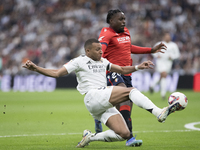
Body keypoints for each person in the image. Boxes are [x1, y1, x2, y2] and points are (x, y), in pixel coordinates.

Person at [23, 38, 178, 148]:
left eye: (101, 50)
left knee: (123, 134)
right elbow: (57, 73)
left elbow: (122, 69)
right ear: (87, 50)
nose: (100, 52)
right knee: (130, 91)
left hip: (101, 102)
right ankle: (158, 112)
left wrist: (138, 66)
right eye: (97, 50)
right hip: (92, 96)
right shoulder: (79, 61)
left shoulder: (103, 61)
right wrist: (36, 68)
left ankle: (90, 137)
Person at [96, 9, 167, 146]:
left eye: (124, 19)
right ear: (111, 21)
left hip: (127, 73)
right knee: (126, 96)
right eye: (120, 19)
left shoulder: (126, 32)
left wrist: (150, 50)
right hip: (113, 72)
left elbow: (129, 48)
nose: (123, 21)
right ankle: (131, 136)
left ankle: (100, 116)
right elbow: (100, 52)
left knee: (125, 106)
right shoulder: (107, 33)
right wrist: (99, 63)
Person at [150, 32, 180, 100]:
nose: (167, 37)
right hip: (160, 62)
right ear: (164, 37)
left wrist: (172, 57)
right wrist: (156, 55)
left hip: (168, 63)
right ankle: (163, 94)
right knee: (164, 74)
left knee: (163, 76)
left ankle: (152, 86)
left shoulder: (173, 45)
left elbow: (177, 54)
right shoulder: (159, 44)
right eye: (166, 36)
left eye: (168, 36)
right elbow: (153, 51)